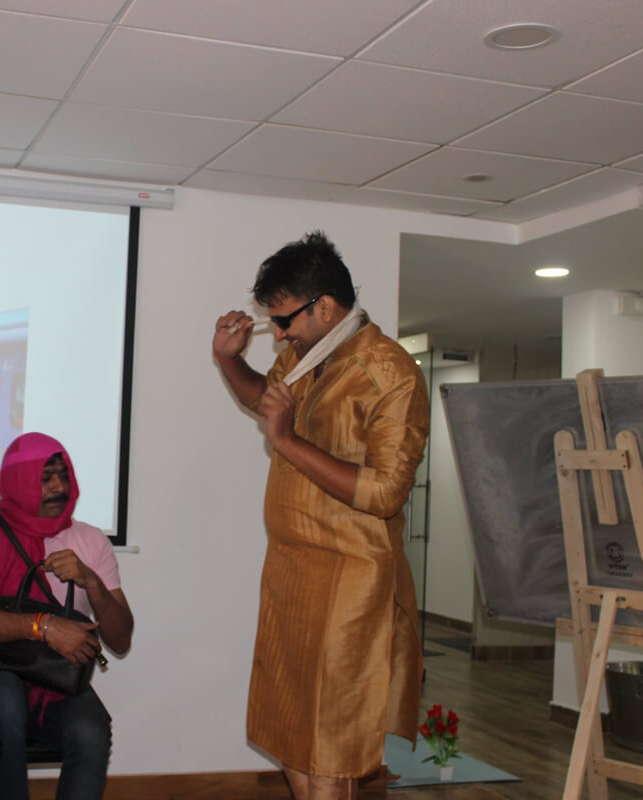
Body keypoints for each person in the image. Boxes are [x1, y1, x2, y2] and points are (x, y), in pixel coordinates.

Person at [211, 231, 429, 800]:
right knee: (288, 724)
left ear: (325, 307)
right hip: (291, 567)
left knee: (331, 738)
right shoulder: (303, 356)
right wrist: (228, 361)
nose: (279, 334)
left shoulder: (391, 374)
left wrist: (286, 441)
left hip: (352, 576)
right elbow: (266, 400)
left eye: (284, 320)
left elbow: (385, 493)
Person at [0, 433, 133, 800]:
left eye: (63, 475)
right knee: (4, 701)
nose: (59, 487)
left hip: (60, 680)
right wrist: (44, 627)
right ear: (18, 481)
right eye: (45, 477)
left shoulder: (91, 540)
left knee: (91, 731)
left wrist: (91, 581)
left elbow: (121, 640)